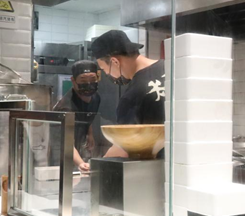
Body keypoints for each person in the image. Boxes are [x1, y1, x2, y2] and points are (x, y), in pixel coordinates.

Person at [90, 30, 165, 158]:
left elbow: (123, 148)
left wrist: (98, 166)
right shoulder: (169, 67)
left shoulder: (132, 95)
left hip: (159, 165)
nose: (107, 74)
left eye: (104, 69)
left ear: (115, 62)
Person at [53, 60, 102, 173]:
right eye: (83, 80)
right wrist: (80, 163)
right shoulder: (66, 107)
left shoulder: (96, 98)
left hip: (80, 143)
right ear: (73, 81)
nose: (88, 83)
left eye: (92, 79)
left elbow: (89, 115)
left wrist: (90, 133)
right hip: (62, 151)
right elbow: (65, 142)